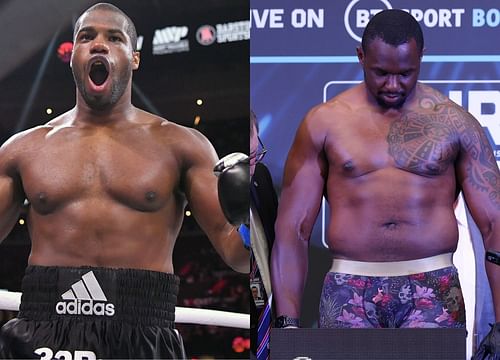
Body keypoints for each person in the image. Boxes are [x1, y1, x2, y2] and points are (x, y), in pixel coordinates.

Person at [0, 3, 248, 359]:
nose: (98, 44)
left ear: (134, 58)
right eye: (86, 37)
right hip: (43, 325)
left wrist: (248, 222)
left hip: (142, 328)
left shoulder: (181, 145)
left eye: (113, 38)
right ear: (73, 57)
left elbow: (236, 255)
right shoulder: (23, 149)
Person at [271, 8, 499, 354]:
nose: (393, 85)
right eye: (380, 73)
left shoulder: (455, 123)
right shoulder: (325, 123)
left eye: (405, 73)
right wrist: (286, 326)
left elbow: (495, 225)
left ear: (421, 57)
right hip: (349, 289)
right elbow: (293, 230)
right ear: (361, 56)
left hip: (433, 287)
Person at [249, 110, 278, 360]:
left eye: (255, 154)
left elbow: (276, 244)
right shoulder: (212, 184)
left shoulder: (262, 176)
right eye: (246, 159)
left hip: (268, 312)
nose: (253, 163)